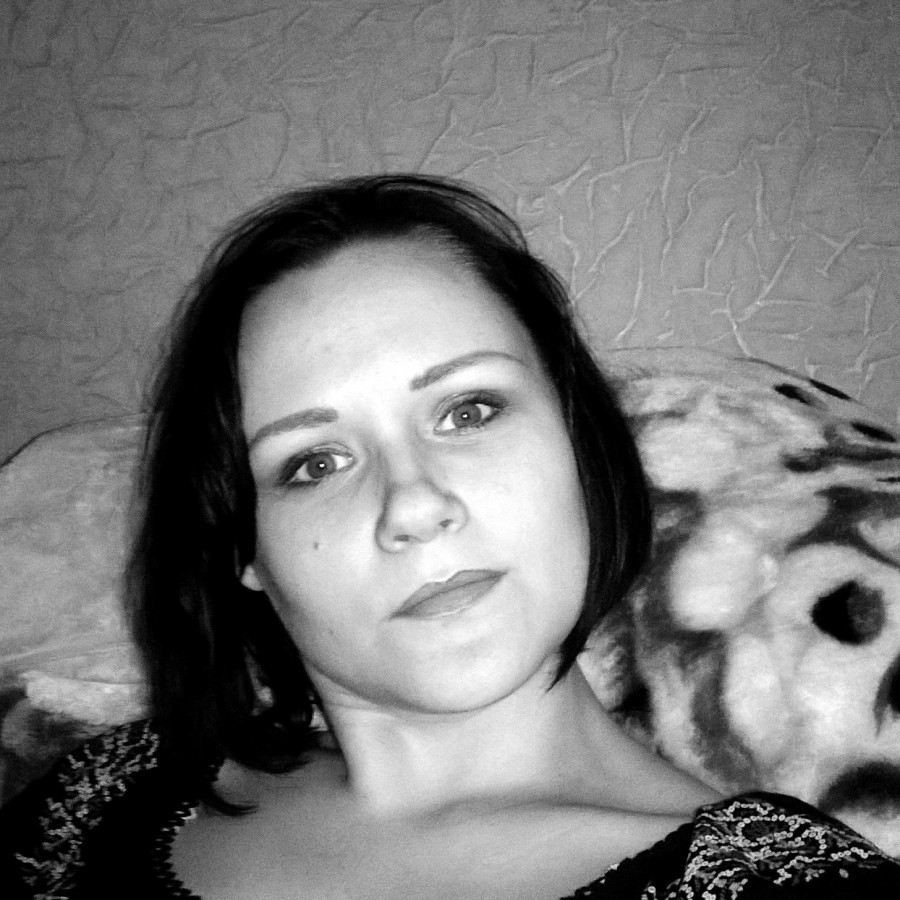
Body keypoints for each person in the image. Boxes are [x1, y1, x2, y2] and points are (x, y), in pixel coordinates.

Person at [1, 174, 898, 898]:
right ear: (245, 551)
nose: (413, 504)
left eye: (468, 411)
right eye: (315, 463)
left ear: (579, 442)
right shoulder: (105, 800)